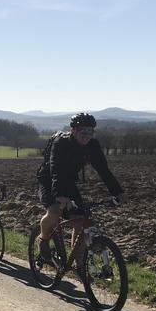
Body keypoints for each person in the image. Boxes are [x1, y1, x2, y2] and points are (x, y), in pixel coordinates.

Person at [36, 113, 124, 263]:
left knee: (80, 219)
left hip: (68, 181)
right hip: (48, 179)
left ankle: (78, 265)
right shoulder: (60, 143)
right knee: (55, 211)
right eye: (83, 131)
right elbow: (56, 170)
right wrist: (59, 195)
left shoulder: (92, 145)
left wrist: (118, 192)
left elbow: (103, 170)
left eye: (90, 131)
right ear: (73, 130)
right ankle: (43, 240)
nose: (86, 135)